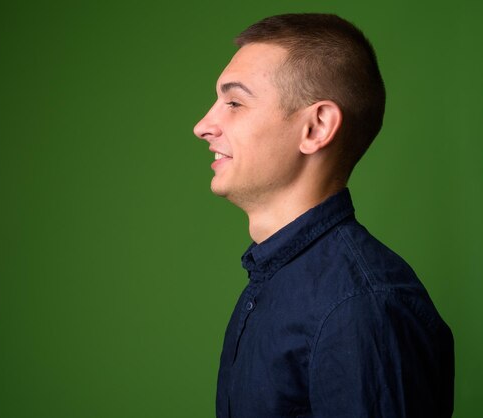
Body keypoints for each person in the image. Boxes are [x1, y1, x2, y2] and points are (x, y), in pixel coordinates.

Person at [193, 13, 454, 418]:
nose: (203, 126)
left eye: (234, 103)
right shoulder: (275, 281)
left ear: (316, 128)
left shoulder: (362, 309)